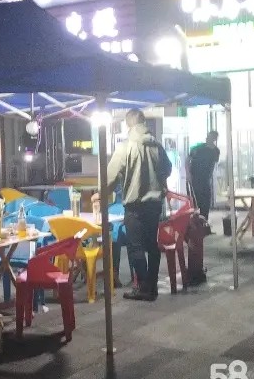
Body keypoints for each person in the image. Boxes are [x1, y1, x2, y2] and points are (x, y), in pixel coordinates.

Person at [92, 109, 172, 301]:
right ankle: (152, 286)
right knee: (152, 245)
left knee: (135, 247)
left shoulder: (125, 147)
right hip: (154, 204)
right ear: (144, 122)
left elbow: (109, 178)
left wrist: (100, 194)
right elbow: (167, 169)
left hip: (134, 205)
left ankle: (143, 287)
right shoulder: (157, 146)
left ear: (128, 124)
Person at [186, 131, 220, 220]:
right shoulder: (198, 148)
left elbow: (213, 164)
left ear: (215, 139)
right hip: (195, 178)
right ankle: (195, 222)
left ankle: (204, 222)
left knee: (206, 202)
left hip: (206, 179)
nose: (208, 138)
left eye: (211, 137)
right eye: (208, 136)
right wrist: (188, 174)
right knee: (196, 201)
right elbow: (188, 160)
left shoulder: (216, 151)